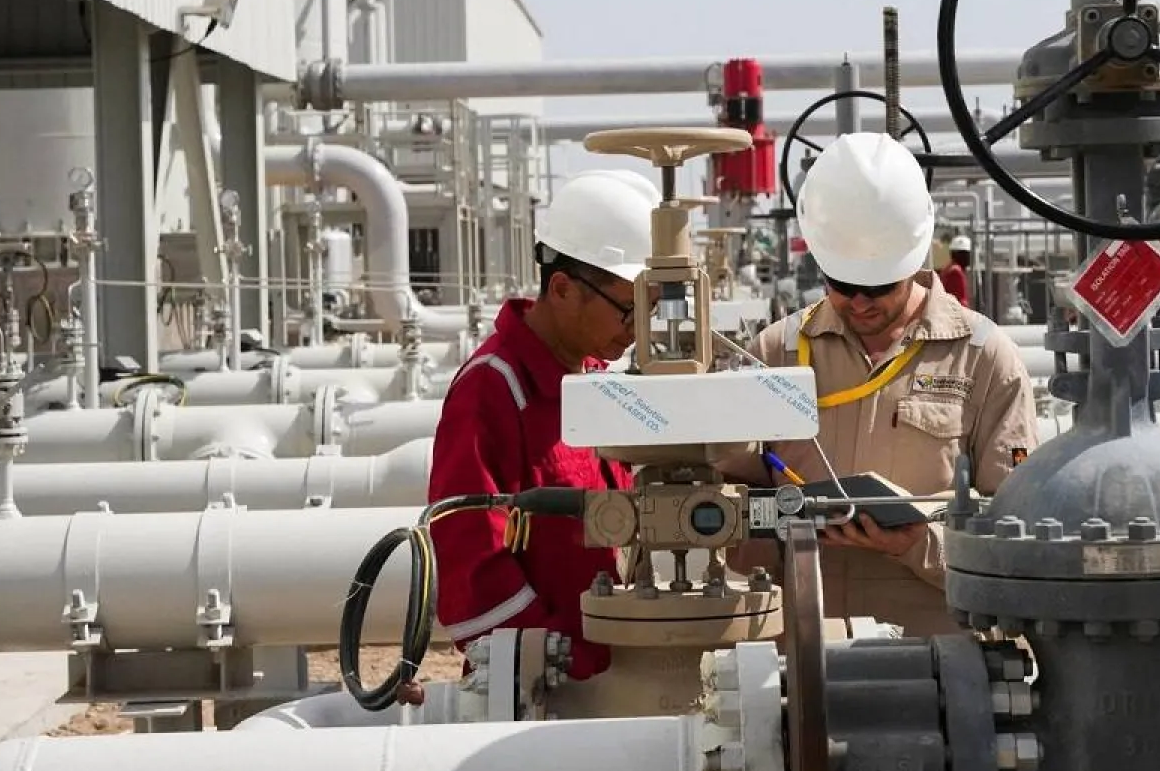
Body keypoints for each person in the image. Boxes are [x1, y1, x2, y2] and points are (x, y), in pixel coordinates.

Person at [712, 133, 1039, 637]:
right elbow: (729, 492)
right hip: (800, 647)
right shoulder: (776, 352)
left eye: (879, 286)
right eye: (843, 285)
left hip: (933, 653)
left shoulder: (982, 358)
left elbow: (1017, 531)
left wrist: (918, 544)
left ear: (914, 260)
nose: (860, 302)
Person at [428, 168, 661, 680]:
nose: (637, 330)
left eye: (650, 309)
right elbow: (470, 562)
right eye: (628, 310)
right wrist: (556, 659)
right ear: (562, 289)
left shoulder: (593, 377)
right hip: (546, 686)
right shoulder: (493, 388)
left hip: (606, 664)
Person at [937, 233, 973, 306]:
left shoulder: (949, 268)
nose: (969, 258)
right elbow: (961, 302)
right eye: (966, 254)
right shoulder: (956, 272)